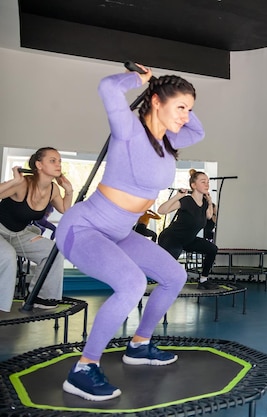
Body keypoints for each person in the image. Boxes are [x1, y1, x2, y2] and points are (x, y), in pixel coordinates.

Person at [55, 64, 205, 401]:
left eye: (189, 109)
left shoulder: (169, 140)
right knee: (133, 283)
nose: (186, 116)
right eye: (180, 107)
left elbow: (199, 132)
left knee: (173, 275)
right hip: (85, 228)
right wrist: (141, 80)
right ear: (155, 102)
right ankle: (83, 369)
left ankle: (139, 345)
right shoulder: (129, 130)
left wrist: (177, 102)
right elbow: (108, 88)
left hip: (120, 232)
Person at [0, 148, 74, 312]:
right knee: (7, 255)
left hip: (19, 234)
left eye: (59, 161)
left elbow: (64, 210)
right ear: (39, 165)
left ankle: (40, 297)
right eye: (53, 160)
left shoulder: (53, 189)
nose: (58, 164)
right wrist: (14, 181)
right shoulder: (23, 184)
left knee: (53, 252)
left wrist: (68, 191)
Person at [157, 169, 218, 290]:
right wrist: (178, 196)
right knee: (173, 258)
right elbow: (161, 210)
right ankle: (163, 285)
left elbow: (209, 216)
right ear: (193, 185)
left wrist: (210, 202)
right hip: (171, 238)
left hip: (188, 240)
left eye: (208, 182)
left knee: (212, 249)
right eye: (203, 182)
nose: (207, 184)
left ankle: (203, 280)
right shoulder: (187, 201)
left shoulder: (205, 203)